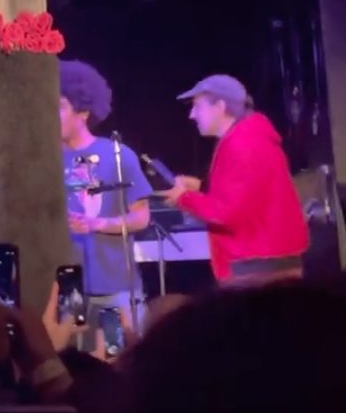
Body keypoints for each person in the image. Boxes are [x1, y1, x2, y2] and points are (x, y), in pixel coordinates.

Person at [160, 74, 309, 285]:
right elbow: (247, 192)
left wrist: (184, 198)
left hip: (258, 267)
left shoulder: (242, 143)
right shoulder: (247, 136)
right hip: (264, 261)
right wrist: (203, 186)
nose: (192, 115)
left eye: (197, 107)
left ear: (220, 106)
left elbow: (225, 212)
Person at [58, 60, 152, 333]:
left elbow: (141, 217)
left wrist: (97, 224)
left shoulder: (118, 155)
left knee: (116, 352)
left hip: (114, 286)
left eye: (59, 107)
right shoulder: (44, 161)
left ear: (83, 111)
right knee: (74, 355)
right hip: (67, 287)